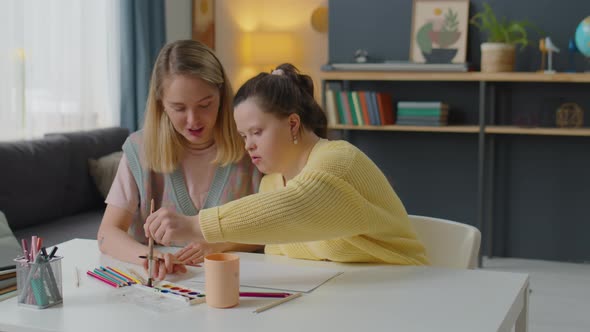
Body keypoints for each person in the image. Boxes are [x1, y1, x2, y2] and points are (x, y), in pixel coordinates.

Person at [144, 63, 429, 265]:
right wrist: (213, 246)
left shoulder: (339, 160)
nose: (248, 145)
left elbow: (297, 206)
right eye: (243, 135)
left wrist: (197, 225)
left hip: (403, 290)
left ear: (293, 123)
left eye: (257, 132)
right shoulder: (271, 184)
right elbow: (278, 237)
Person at [97, 40, 263, 279]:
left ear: (222, 96)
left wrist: (220, 246)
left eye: (205, 105)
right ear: (161, 104)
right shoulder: (140, 149)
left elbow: (278, 228)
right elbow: (107, 234)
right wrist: (147, 256)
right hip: (165, 288)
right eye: (178, 108)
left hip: (242, 281)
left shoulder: (251, 146)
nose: (193, 120)